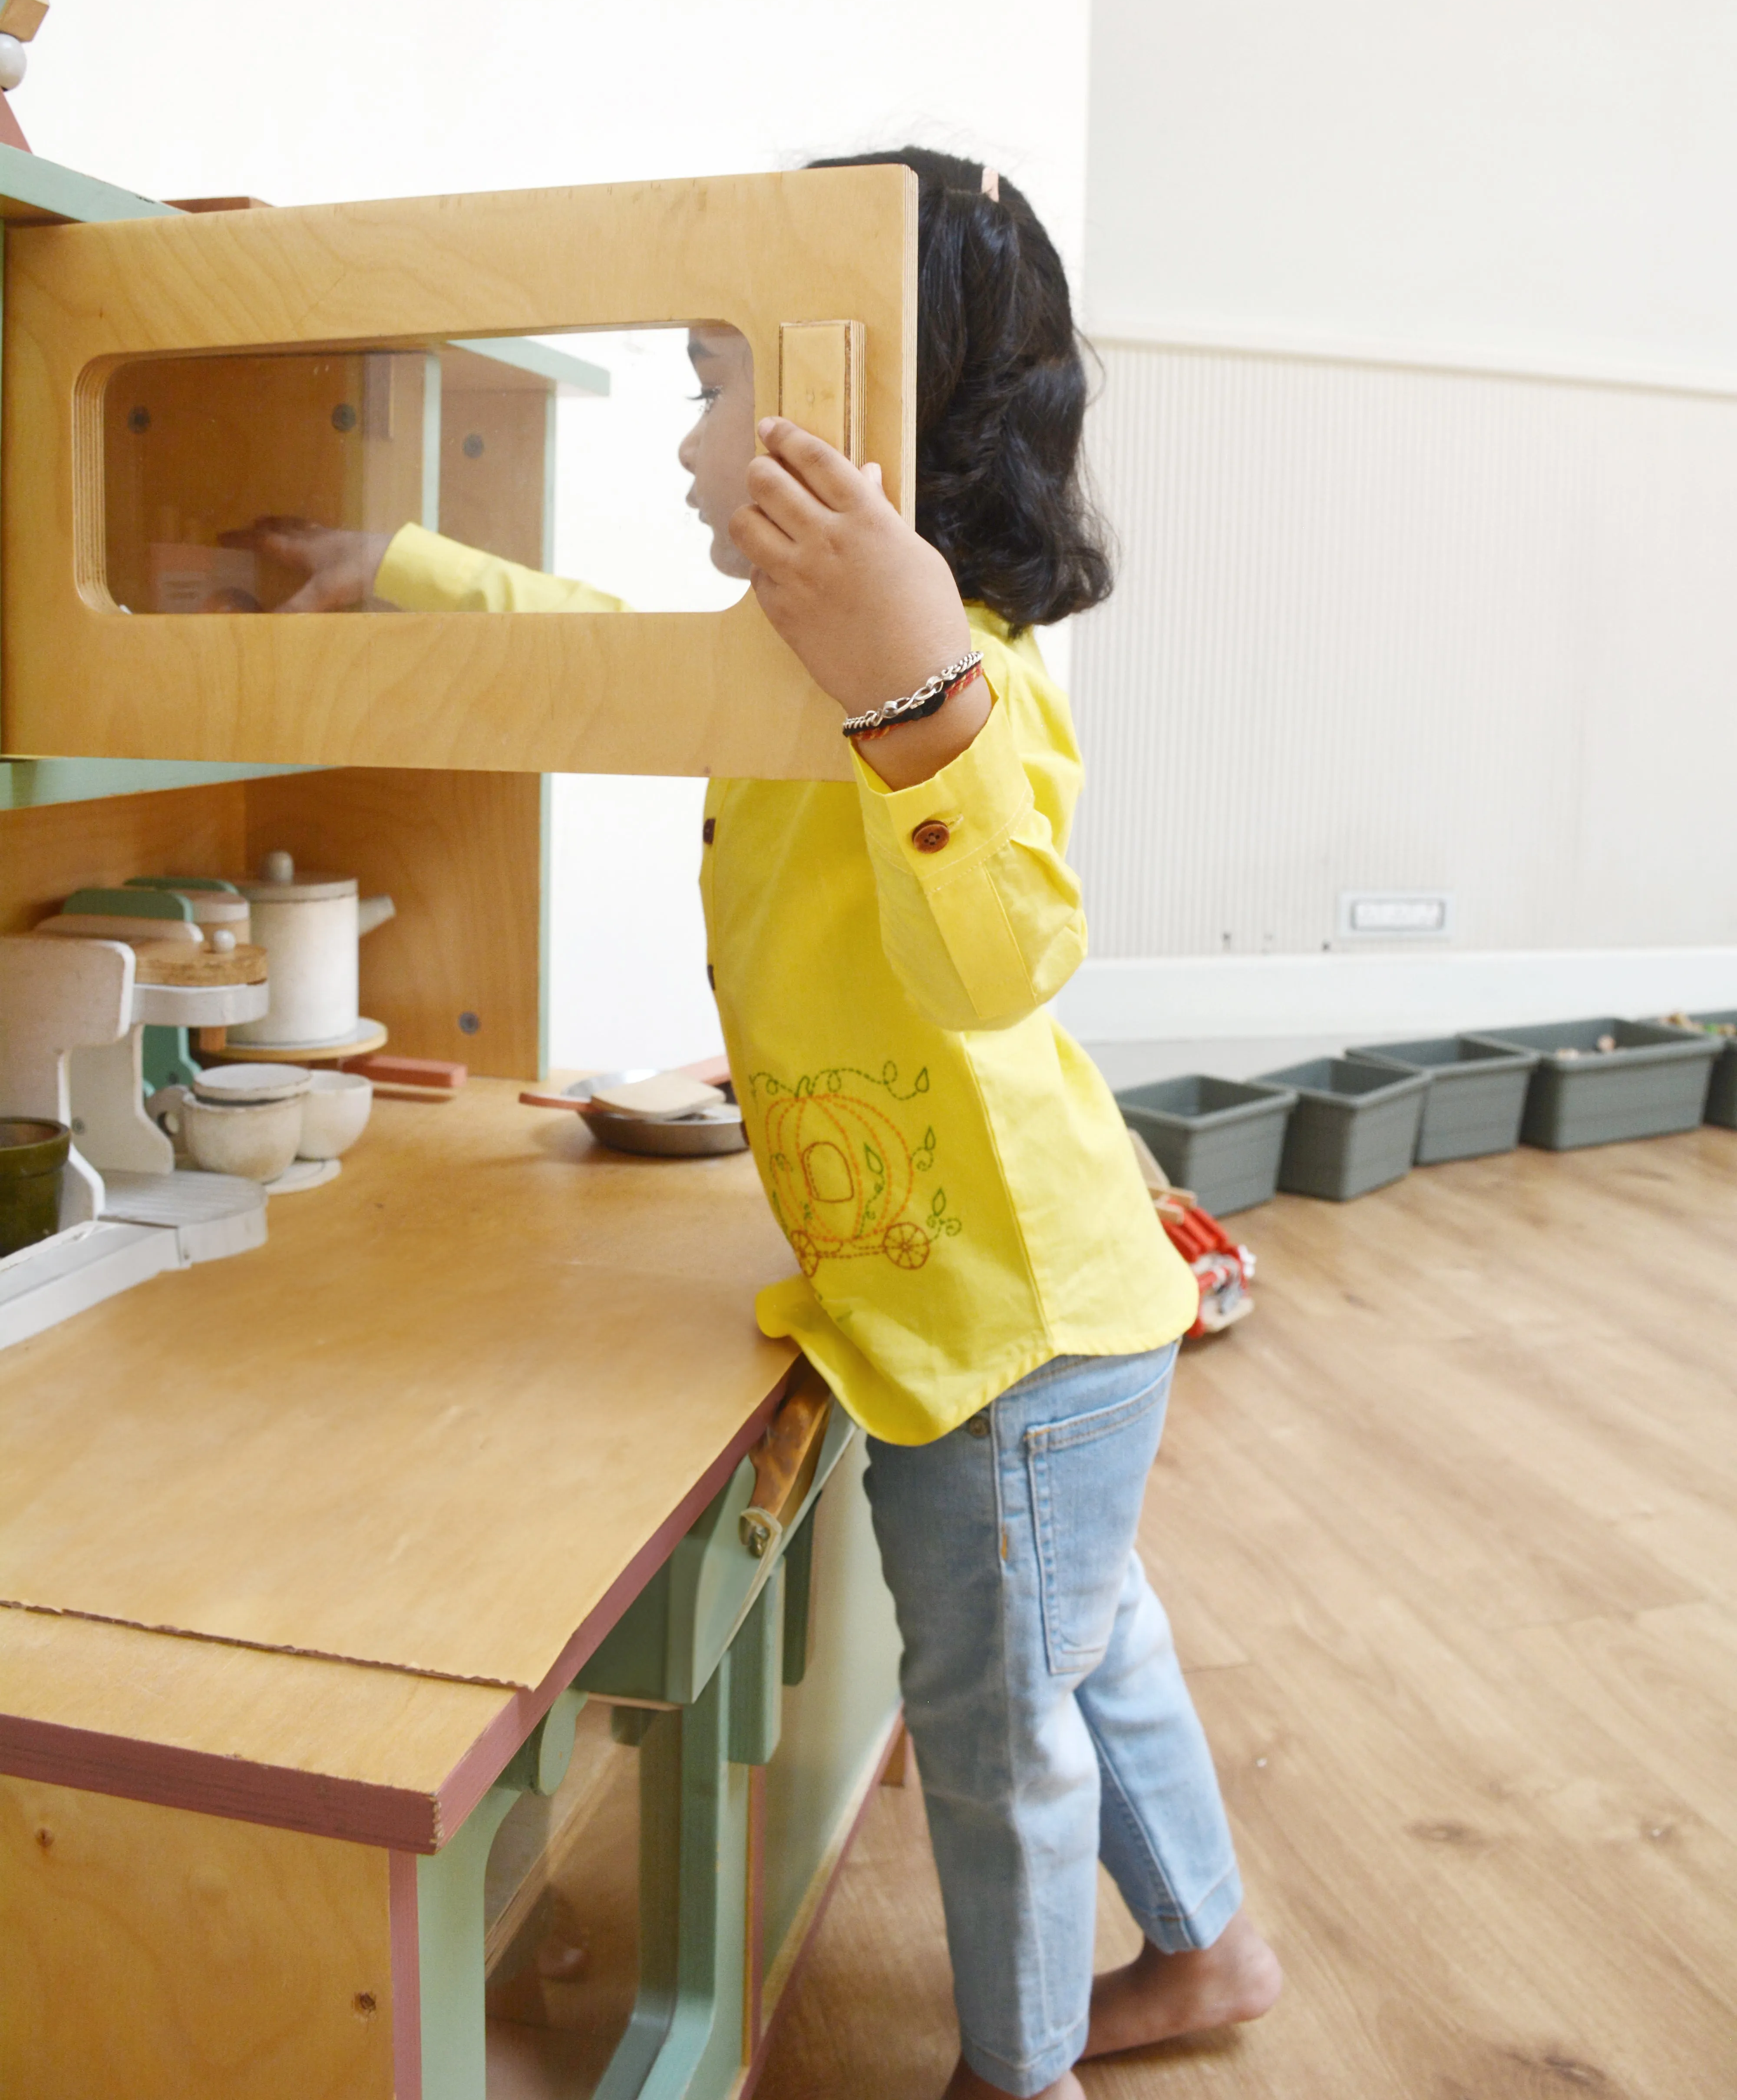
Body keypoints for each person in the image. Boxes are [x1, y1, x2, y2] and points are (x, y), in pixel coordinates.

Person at [231, 148, 1281, 2099]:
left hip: (1009, 1330)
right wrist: (403, 572)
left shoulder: (958, 665)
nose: (691, 434)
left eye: (717, 379)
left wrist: (914, 692)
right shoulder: (792, 662)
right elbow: (604, 657)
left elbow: (1005, 959)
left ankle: (1019, 2066)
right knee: (1088, 1649)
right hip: (986, 1301)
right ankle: (1211, 1950)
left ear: (858, 418)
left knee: (1001, 1724)